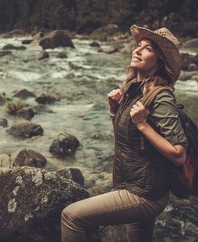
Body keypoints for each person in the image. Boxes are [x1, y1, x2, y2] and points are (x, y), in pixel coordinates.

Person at [61, 25, 188, 242]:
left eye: (147, 49)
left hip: (145, 195)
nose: (137, 50)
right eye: (138, 46)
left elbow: (179, 154)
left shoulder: (162, 97)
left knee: (71, 217)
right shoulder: (132, 89)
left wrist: (143, 125)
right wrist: (114, 110)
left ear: (159, 62)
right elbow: (126, 142)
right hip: (136, 184)